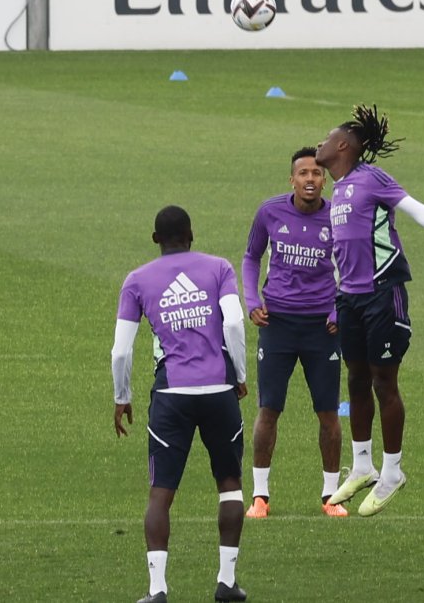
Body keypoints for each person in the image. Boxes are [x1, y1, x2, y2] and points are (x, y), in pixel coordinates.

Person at [316, 104, 424, 516]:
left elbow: (414, 208)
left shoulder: (371, 178)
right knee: (355, 379)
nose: (318, 143)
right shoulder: (337, 189)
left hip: (381, 293)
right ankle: (362, 466)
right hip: (349, 299)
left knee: (383, 382)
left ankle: (392, 472)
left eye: (325, 138)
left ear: (341, 146)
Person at [110, 206, 249, 603]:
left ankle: (157, 590)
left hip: (171, 395)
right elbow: (235, 324)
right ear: (192, 234)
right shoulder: (218, 268)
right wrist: (237, 373)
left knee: (161, 493)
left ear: (156, 240)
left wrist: (123, 396)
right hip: (218, 392)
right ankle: (226, 582)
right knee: (230, 486)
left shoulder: (137, 280)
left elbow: (121, 351)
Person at [241, 147, 345, 518]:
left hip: (322, 327)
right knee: (269, 409)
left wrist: (338, 308)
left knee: (328, 413)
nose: (311, 180)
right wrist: (252, 299)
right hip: (278, 325)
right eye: (304, 173)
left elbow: (353, 265)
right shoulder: (270, 211)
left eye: (317, 173)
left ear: (325, 179)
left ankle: (331, 496)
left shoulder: (338, 216)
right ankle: (260, 495)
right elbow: (252, 257)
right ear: (292, 179)